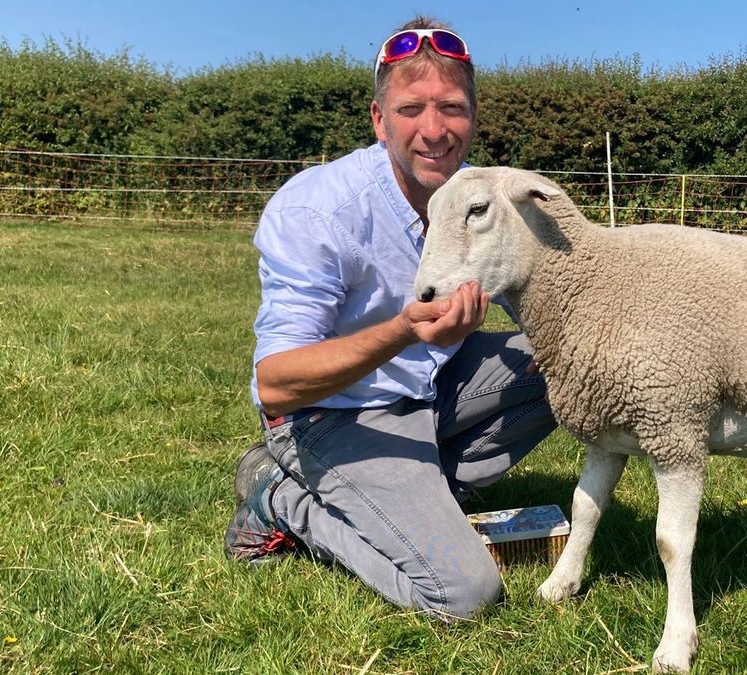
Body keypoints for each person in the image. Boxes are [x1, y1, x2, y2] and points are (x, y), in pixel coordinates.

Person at [224, 15, 557, 621]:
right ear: (379, 120)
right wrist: (406, 330)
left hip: (431, 391)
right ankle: (284, 500)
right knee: (462, 594)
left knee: (566, 368)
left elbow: (553, 304)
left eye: (452, 108)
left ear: (474, 116)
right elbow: (274, 383)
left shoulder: (479, 201)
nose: (434, 131)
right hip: (331, 414)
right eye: (411, 110)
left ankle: (416, 497)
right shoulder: (319, 210)